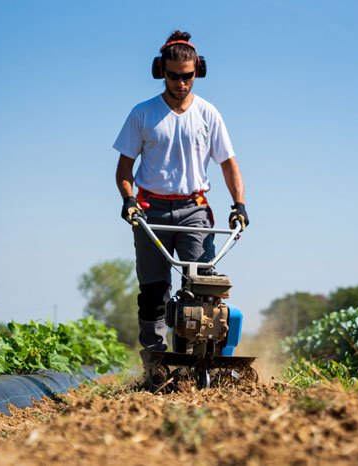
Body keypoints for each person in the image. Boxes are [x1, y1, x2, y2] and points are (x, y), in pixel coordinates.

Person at [113, 30, 249, 364]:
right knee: (154, 292)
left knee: (201, 287)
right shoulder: (143, 114)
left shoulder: (208, 114)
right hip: (151, 211)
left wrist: (239, 205)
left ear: (198, 71)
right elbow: (124, 168)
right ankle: (155, 362)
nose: (181, 83)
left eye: (187, 76)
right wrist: (129, 200)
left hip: (193, 210)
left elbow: (229, 164)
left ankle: (194, 358)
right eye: (174, 76)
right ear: (161, 71)